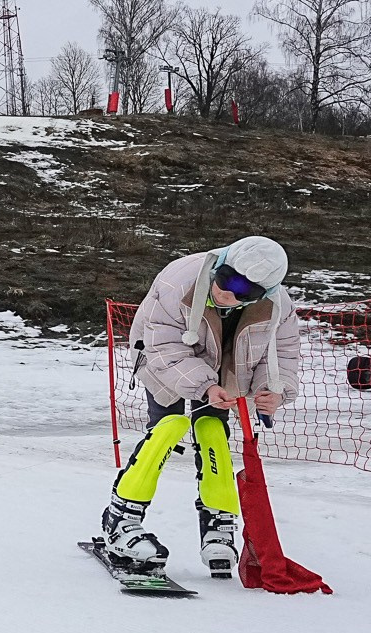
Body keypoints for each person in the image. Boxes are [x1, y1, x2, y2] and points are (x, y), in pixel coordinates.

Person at [104, 236, 303, 576]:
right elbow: (162, 345)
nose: (231, 294)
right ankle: (121, 521)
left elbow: (282, 355)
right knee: (169, 428)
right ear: (220, 264)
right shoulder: (177, 280)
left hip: (225, 370)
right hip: (163, 362)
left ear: (265, 293)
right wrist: (204, 385)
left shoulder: (278, 307)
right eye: (228, 280)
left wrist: (273, 391)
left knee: (212, 432)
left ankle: (218, 523)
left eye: (247, 292)